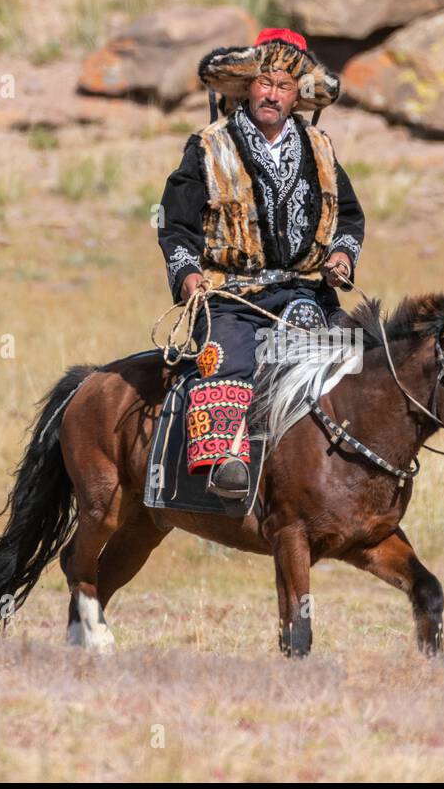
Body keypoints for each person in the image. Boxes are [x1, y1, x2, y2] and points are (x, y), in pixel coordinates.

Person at [156, 27, 366, 498]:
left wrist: (339, 257)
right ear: (248, 85)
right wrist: (188, 274)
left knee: (356, 362)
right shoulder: (209, 146)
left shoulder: (321, 149)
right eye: (264, 82)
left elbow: (349, 217)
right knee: (230, 357)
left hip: (307, 293)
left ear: (297, 96)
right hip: (231, 295)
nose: (272, 94)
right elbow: (175, 224)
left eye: (284, 86)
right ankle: (226, 462)